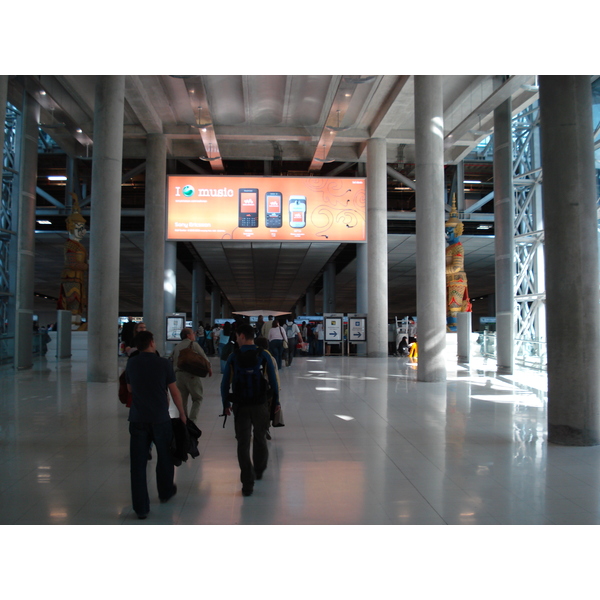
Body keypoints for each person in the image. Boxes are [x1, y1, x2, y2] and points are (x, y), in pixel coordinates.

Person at [125, 330, 187, 520]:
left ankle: (141, 508)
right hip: (160, 419)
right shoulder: (163, 363)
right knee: (165, 457)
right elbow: (175, 392)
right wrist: (182, 414)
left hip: (137, 419)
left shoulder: (132, 363)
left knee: (138, 464)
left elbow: (129, 388)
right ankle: (165, 491)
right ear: (152, 343)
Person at [221, 324, 279, 496]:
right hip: (260, 404)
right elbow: (273, 381)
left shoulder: (234, 356)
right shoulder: (263, 354)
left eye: (237, 336)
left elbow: (225, 383)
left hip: (240, 405)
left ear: (241, 336)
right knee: (260, 437)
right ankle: (259, 469)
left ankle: (247, 483)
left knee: (243, 442)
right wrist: (276, 401)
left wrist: (226, 404)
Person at [57, 194, 88, 330]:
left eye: (82, 226)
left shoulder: (79, 246)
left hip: (78, 278)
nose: (82, 230)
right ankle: (71, 326)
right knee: (72, 301)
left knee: (78, 302)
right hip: (70, 278)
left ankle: (75, 325)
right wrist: (88, 266)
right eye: (78, 226)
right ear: (70, 226)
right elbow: (72, 263)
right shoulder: (70, 245)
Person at [172, 327, 212, 423]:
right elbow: (203, 357)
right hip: (191, 375)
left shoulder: (177, 346)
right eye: (192, 333)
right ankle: (192, 420)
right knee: (198, 398)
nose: (194, 334)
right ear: (188, 335)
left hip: (178, 376)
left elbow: (172, 361)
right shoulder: (193, 344)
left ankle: (183, 419)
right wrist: (209, 368)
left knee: (183, 400)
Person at [445, 197, 470, 332]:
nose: (447, 234)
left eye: (450, 231)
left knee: (454, 304)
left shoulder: (458, 248)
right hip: (449, 279)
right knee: (448, 305)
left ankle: (454, 326)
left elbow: (457, 266)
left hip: (457, 280)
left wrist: (441, 271)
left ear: (457, 231)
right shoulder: (448, 248)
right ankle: (450, 325)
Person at [255, 336, 281, 441]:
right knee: (267, 409)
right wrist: (277, 394)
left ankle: (256, 428)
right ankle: (266, 428)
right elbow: (275, 377)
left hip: (255, 387)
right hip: (268, 388)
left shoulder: (253, 356)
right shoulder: (271, 358)